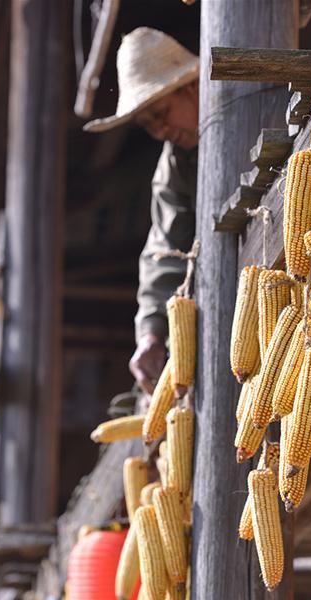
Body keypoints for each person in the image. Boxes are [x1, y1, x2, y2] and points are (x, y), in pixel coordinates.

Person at [84, 27, 199, 394]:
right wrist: (151, 331)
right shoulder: (173, 168)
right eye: (150, 126)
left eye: (163, 113)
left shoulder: (257, 100)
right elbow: (162, 249)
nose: (162, 130)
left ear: (191, 87)